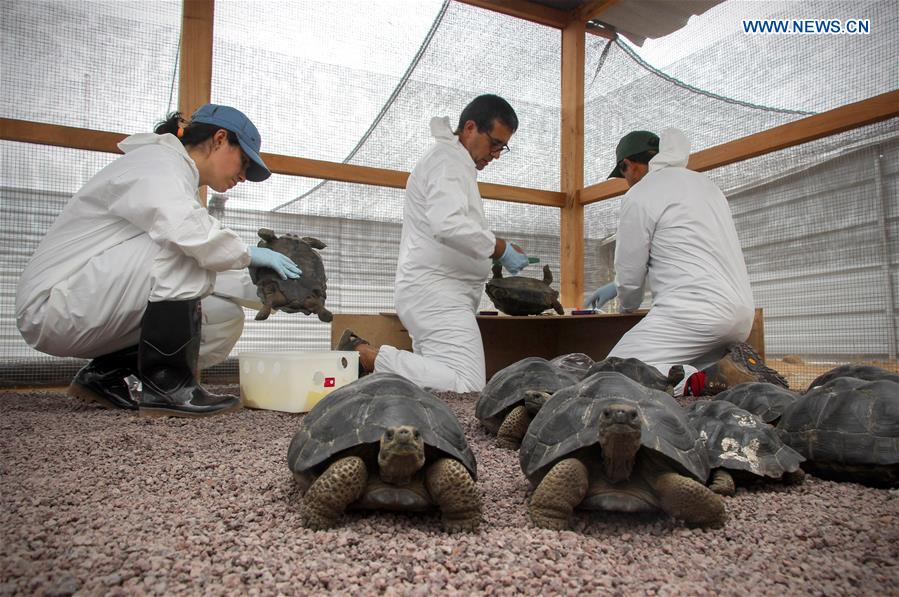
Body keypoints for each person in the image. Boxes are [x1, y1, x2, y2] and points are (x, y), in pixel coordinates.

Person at [15, 104, 301, 417]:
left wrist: (269, 290)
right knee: (185, 248)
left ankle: (104, 375)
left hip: (85, 301)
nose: (244, 176)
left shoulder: (175, 176)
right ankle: (168, 387)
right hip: (52, 305)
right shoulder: (156, 161)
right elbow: (186, 234)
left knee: (221, 316)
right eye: (243, 161)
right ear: (219, 139)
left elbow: (202, 258)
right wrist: (250, 254)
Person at [338, 94, 530, 393]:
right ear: (469, 128)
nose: (496, 155)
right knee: (465, 384)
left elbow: (447, 227)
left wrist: (486, 255)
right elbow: (448, 223)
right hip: (437, 293)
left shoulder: (453, 162)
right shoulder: (448, 161)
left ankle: (371, 363)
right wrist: (499, 248)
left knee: (433, 383)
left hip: (436, 292)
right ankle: (366, 356)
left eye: (502, 147)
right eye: (494, 144)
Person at [585, 128, 784, 394]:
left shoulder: (641, 192)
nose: (627, 183)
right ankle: (725, 373)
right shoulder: (706, 186)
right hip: (740, 317)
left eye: (623, 175)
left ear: (627, 165)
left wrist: (625, 300)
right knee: (685, 366)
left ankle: (704, 381)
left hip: (694, 315)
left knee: (615, 373)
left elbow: (630, 274)